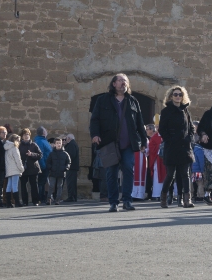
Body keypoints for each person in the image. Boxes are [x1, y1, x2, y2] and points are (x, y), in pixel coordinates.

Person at [89, 73, 149, 212]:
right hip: (110, 143)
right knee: (111, 173)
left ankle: (127, 200)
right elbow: (95, 119)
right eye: (121, 80)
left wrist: (143, 140)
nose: (124, 83)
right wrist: (95, 134)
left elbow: (140, 123)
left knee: (128, 169)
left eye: (125, 81)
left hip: (128, 144)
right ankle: (113, 202)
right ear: (114, 83)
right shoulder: (103, 100)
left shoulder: (133, 101)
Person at [158, 86, 195, 209]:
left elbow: (191, 128)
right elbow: (162, 129)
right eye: (175, 94)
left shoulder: (185, 111)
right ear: (171, 96)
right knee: (170, 175)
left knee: (185, 174)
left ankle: (187, 200)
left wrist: (189, 138)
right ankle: (163, 197)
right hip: (171, 147)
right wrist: (170, 140)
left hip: (184, 146)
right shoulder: (166, 111)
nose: (178, 96)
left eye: (180, 94)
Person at [17, 128, 43, 206]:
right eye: (24, 135)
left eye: (27, 134)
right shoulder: (19, 145)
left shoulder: (34, 145)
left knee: (34, 185)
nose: (26, 136)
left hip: (33, 168)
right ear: (22, 136)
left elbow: (40, 155)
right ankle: (25, 201)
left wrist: (32, 154)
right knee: (23, 186)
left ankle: (36, 201)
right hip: (23, 168)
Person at [45, 137, 71, 205]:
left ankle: (58, 199)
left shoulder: (65, 153)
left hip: (61, 172)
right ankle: (49, 199)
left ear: (62, 144)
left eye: (60, 143)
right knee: (51, 186)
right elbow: (48, 162)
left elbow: (68, 162)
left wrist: (66, 168)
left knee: (59, 186)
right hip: (53, 172)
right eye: (57, 143)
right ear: (54, 144)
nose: (58, 144)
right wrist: (50, 168)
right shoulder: (52, 154)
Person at [4, 133, 25, 208]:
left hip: (9, 169)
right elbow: (18, 160)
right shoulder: (14, 148)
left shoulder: (7, 148)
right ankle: (17, 202)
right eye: (18, 141)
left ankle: (8, 203)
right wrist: (21, 168)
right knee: (15, 186)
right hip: (15, 169)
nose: (19, 142)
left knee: (9, 186)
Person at [147, 124, 166, 201]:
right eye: (157, 127)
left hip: (165, 160)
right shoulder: (154, 137)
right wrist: (160, 146)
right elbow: (152, 148)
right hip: (157, 160)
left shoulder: (167, 135)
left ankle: (166, 194)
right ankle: (157, 194)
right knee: (157, 177)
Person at [34, 126, 52, 203]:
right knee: (41, 183)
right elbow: (40, 155)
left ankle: (43, 197)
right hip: (43, 165)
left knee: (43, 182)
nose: (47, 131)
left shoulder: (43, 140)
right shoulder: (40, 141)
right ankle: (41, 198)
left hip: (46, 165)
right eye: (45, 130)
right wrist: (43, 166)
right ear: (43, 132)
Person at [63, 133, 80, 202]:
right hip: (73, 167)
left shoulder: (71, 144)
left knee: (70, 182)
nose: (65, 140)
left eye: (66, 139)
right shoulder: (73, 144)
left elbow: (71, 155)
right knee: (72, 182)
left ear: (69, 138)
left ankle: (71, 197)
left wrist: (66, 160)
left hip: (71, 167)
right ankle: (73, 196)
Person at [191, 124, 205, 201]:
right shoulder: (200, 149)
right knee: (200, 183)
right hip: (199, 169)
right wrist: (203, 170)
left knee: (196, 183)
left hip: (194, 168)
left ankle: (195, 194)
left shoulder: (194, 149)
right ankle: (201, 195)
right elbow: (201, 160)